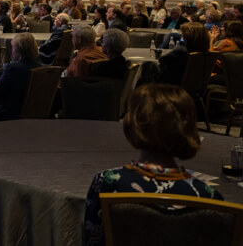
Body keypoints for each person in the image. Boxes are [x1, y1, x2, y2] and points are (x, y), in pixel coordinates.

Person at [83, 84, 223, 246]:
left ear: (133, 125)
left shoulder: (108, 183)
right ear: (189, 128)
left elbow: (93, 241)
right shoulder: (209, 196)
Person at [0, 33, 41, 121]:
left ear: (18, 50)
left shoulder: (13, 68)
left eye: (13, 47)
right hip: (34, 113)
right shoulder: (41, 68)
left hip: (10, 114)